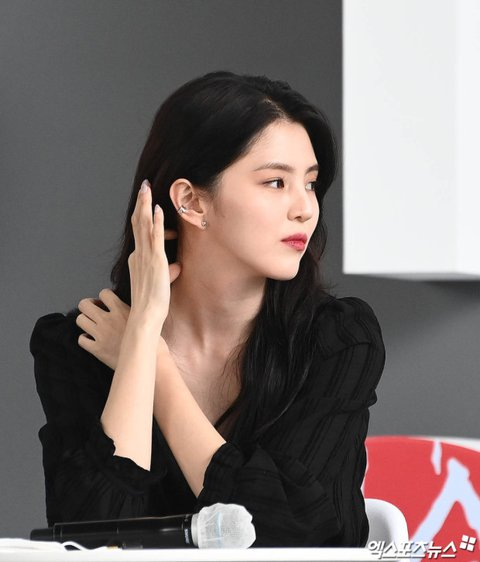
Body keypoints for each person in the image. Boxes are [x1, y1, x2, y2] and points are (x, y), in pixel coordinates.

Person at [30, 70, 386, 547]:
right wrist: (140, 337)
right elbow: (91, 540)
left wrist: (154, 364)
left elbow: (285, 533)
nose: (305, 208)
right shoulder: (82, 344)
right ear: (192, 201)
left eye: (311, 183)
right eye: (276, 182)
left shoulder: (338, 339)